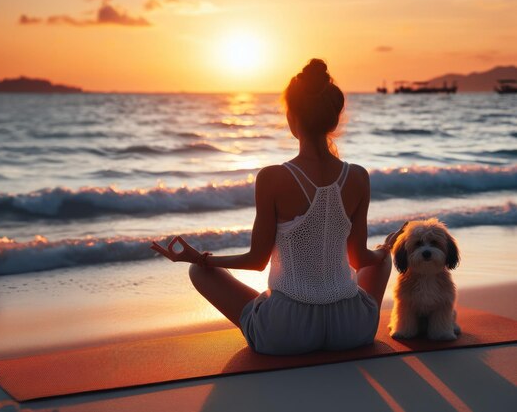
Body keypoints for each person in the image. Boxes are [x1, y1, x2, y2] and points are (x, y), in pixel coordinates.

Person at [151, 59, 405, 355]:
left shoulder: (272, 177)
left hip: (287, 331)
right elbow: (359, 256)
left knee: (199, 272)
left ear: (291, 116)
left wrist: (203, 259)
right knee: (382, 257)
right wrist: (385, 250)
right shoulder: (358, 176)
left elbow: (257, 261)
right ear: (334, 120)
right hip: (350, 328)